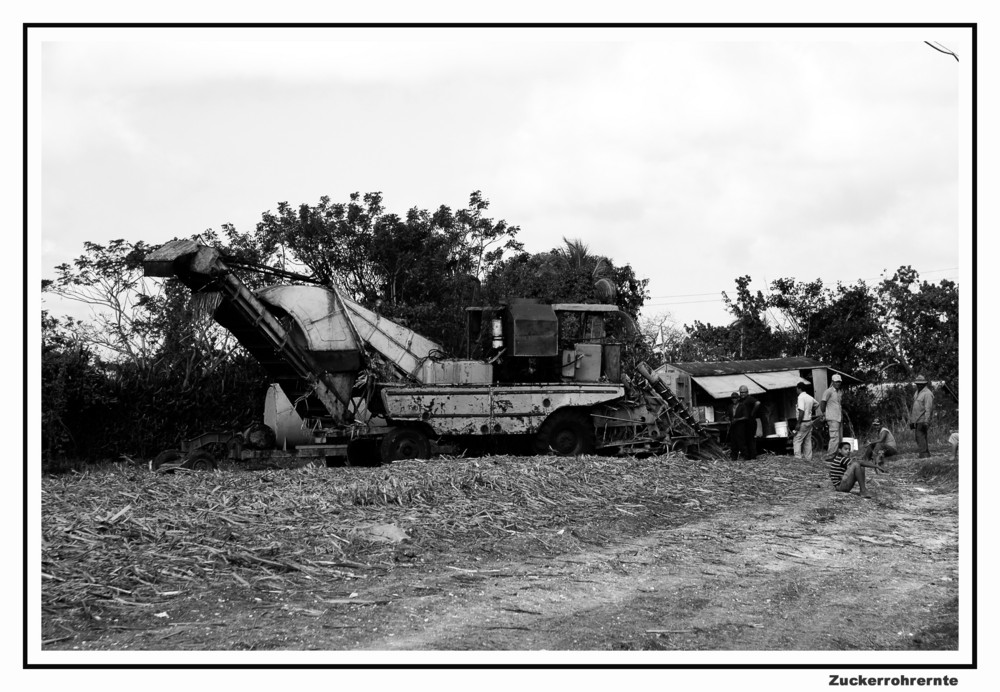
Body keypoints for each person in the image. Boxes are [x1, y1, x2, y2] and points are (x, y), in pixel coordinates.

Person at [731, 384, 765, 460]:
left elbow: (758, 403)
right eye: (741, 392)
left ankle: (753, 456)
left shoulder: (750, 399)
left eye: (744, 392)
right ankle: (747, 456)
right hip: (744, 423)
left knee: (751, 439)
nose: (742, 394)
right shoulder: (741, 400)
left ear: (747, 392)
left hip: (750, 422)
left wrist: (752, 413)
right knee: (744, 439)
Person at [791, 381, 819, 461]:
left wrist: (798, 423)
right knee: (807, 440)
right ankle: (808, 458)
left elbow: (801, 411)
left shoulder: (800, 397)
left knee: (797, 440)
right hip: (809, 421)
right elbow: (817, 404)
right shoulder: (809, 397)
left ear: (799, 388)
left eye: (797, 388)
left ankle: (798, 459)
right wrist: (810, 411)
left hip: (803, 422)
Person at [910, 374, 934, 459]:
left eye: (921, 384)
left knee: (920, 436)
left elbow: (928, 408)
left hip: (923, 419)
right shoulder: (917, 392)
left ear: (924, 384)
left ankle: (924, 455)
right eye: (917, 384)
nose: (919, 385)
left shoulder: (927, 394)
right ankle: (925, 454)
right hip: (917, 419)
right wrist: (912, 421)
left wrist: (926, 421)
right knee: (919, 437)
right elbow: (915, 407)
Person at [820, 373, 845, 455]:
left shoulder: (839, 392)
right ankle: (830, 455)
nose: (838, 383)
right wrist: (824, 413)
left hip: (838, 417)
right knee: (834, 438)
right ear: (832, 382)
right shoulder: (828, 391)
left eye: (839, 382)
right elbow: (823, 402)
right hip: (832, 417)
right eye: (836, 382)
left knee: (838, 438)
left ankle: (836, 455)